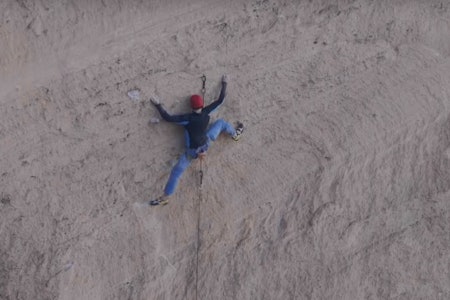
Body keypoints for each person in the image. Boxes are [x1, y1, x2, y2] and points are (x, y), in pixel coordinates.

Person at [148, 74, 244, 206]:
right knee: (221, 123)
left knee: (176, 173)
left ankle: (165, 197)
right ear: (202, 105)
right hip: (206, 143)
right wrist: (224, 82)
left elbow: (168, 118)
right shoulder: (206, 112)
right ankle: (235, 135)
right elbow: (220, 100)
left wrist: (158, 104)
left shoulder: (187, 118)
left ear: (191, 107)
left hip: (192, 152)